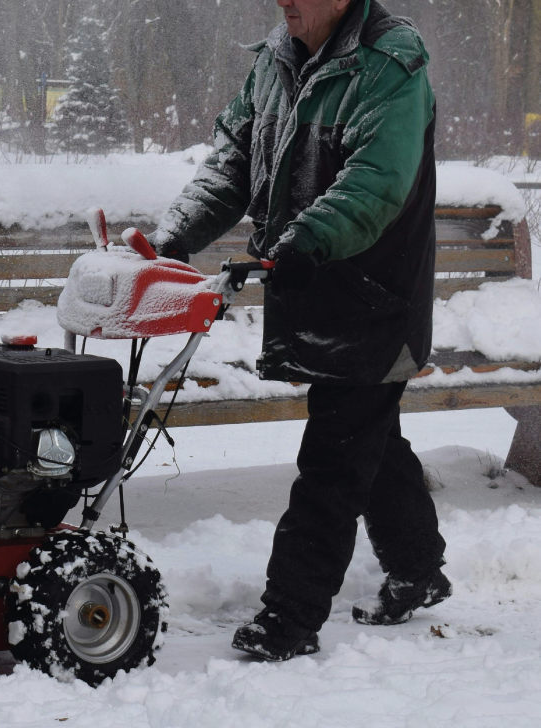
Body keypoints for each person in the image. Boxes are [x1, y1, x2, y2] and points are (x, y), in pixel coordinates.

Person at [151, 0, 450, 661]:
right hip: (310, 283)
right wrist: (170, 240)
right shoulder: (277, 64)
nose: (285, 0)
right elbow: (232, 159)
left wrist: (306, 238)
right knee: (366, 438)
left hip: (374, 294)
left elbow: (376, 180)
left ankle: (290, 616)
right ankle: (419, 569)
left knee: (334, 460)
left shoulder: (388, 64)